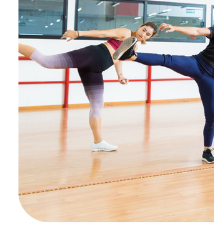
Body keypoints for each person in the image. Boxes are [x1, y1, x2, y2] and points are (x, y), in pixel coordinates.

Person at [118, 9, 214, 164]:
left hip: (210, 78)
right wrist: (176, 28)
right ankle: (131, 55)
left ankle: (207, 151)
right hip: (196, 64)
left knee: (212, 116)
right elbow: (197, 30)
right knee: (167, 59)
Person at [18, 22, 158, 151]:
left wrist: (120, 74)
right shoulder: (125, 32)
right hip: (91, 55)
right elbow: (102, 33)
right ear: (140, 26)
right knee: (47, 61)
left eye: (147, 34)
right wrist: (78, 33)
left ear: (150, 37)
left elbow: (119, 58)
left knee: (97, 105)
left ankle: (98, 142)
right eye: (144, 30)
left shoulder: (134, 45)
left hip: (95, 69)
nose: (143, 34)